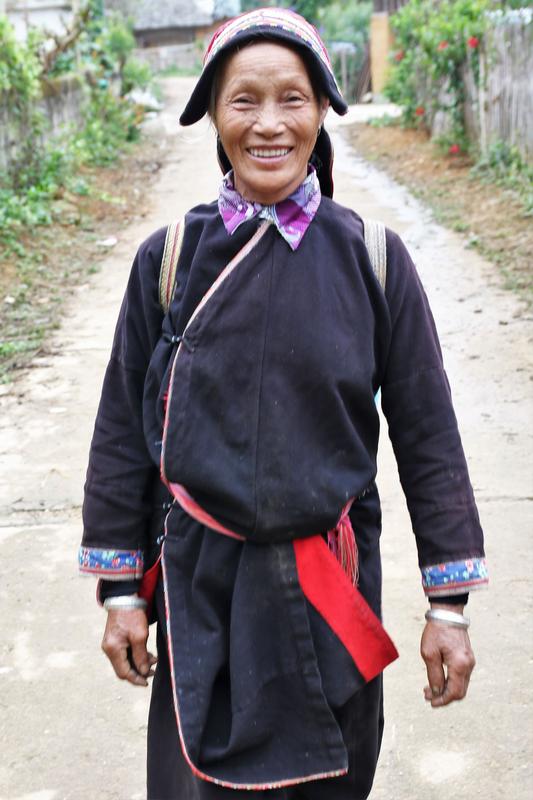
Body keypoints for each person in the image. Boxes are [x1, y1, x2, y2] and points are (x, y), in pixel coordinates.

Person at [79, 7, 488, 799]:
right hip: (203, 589)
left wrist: (449, 607)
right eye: (244, 100)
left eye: (292, 99)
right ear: (212, 114)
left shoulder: (372, 259)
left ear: (323, 109)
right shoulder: (168, 261)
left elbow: (428, 435)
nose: (269, 124)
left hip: (329, 587)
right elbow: (122, 433)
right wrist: (122, 592)